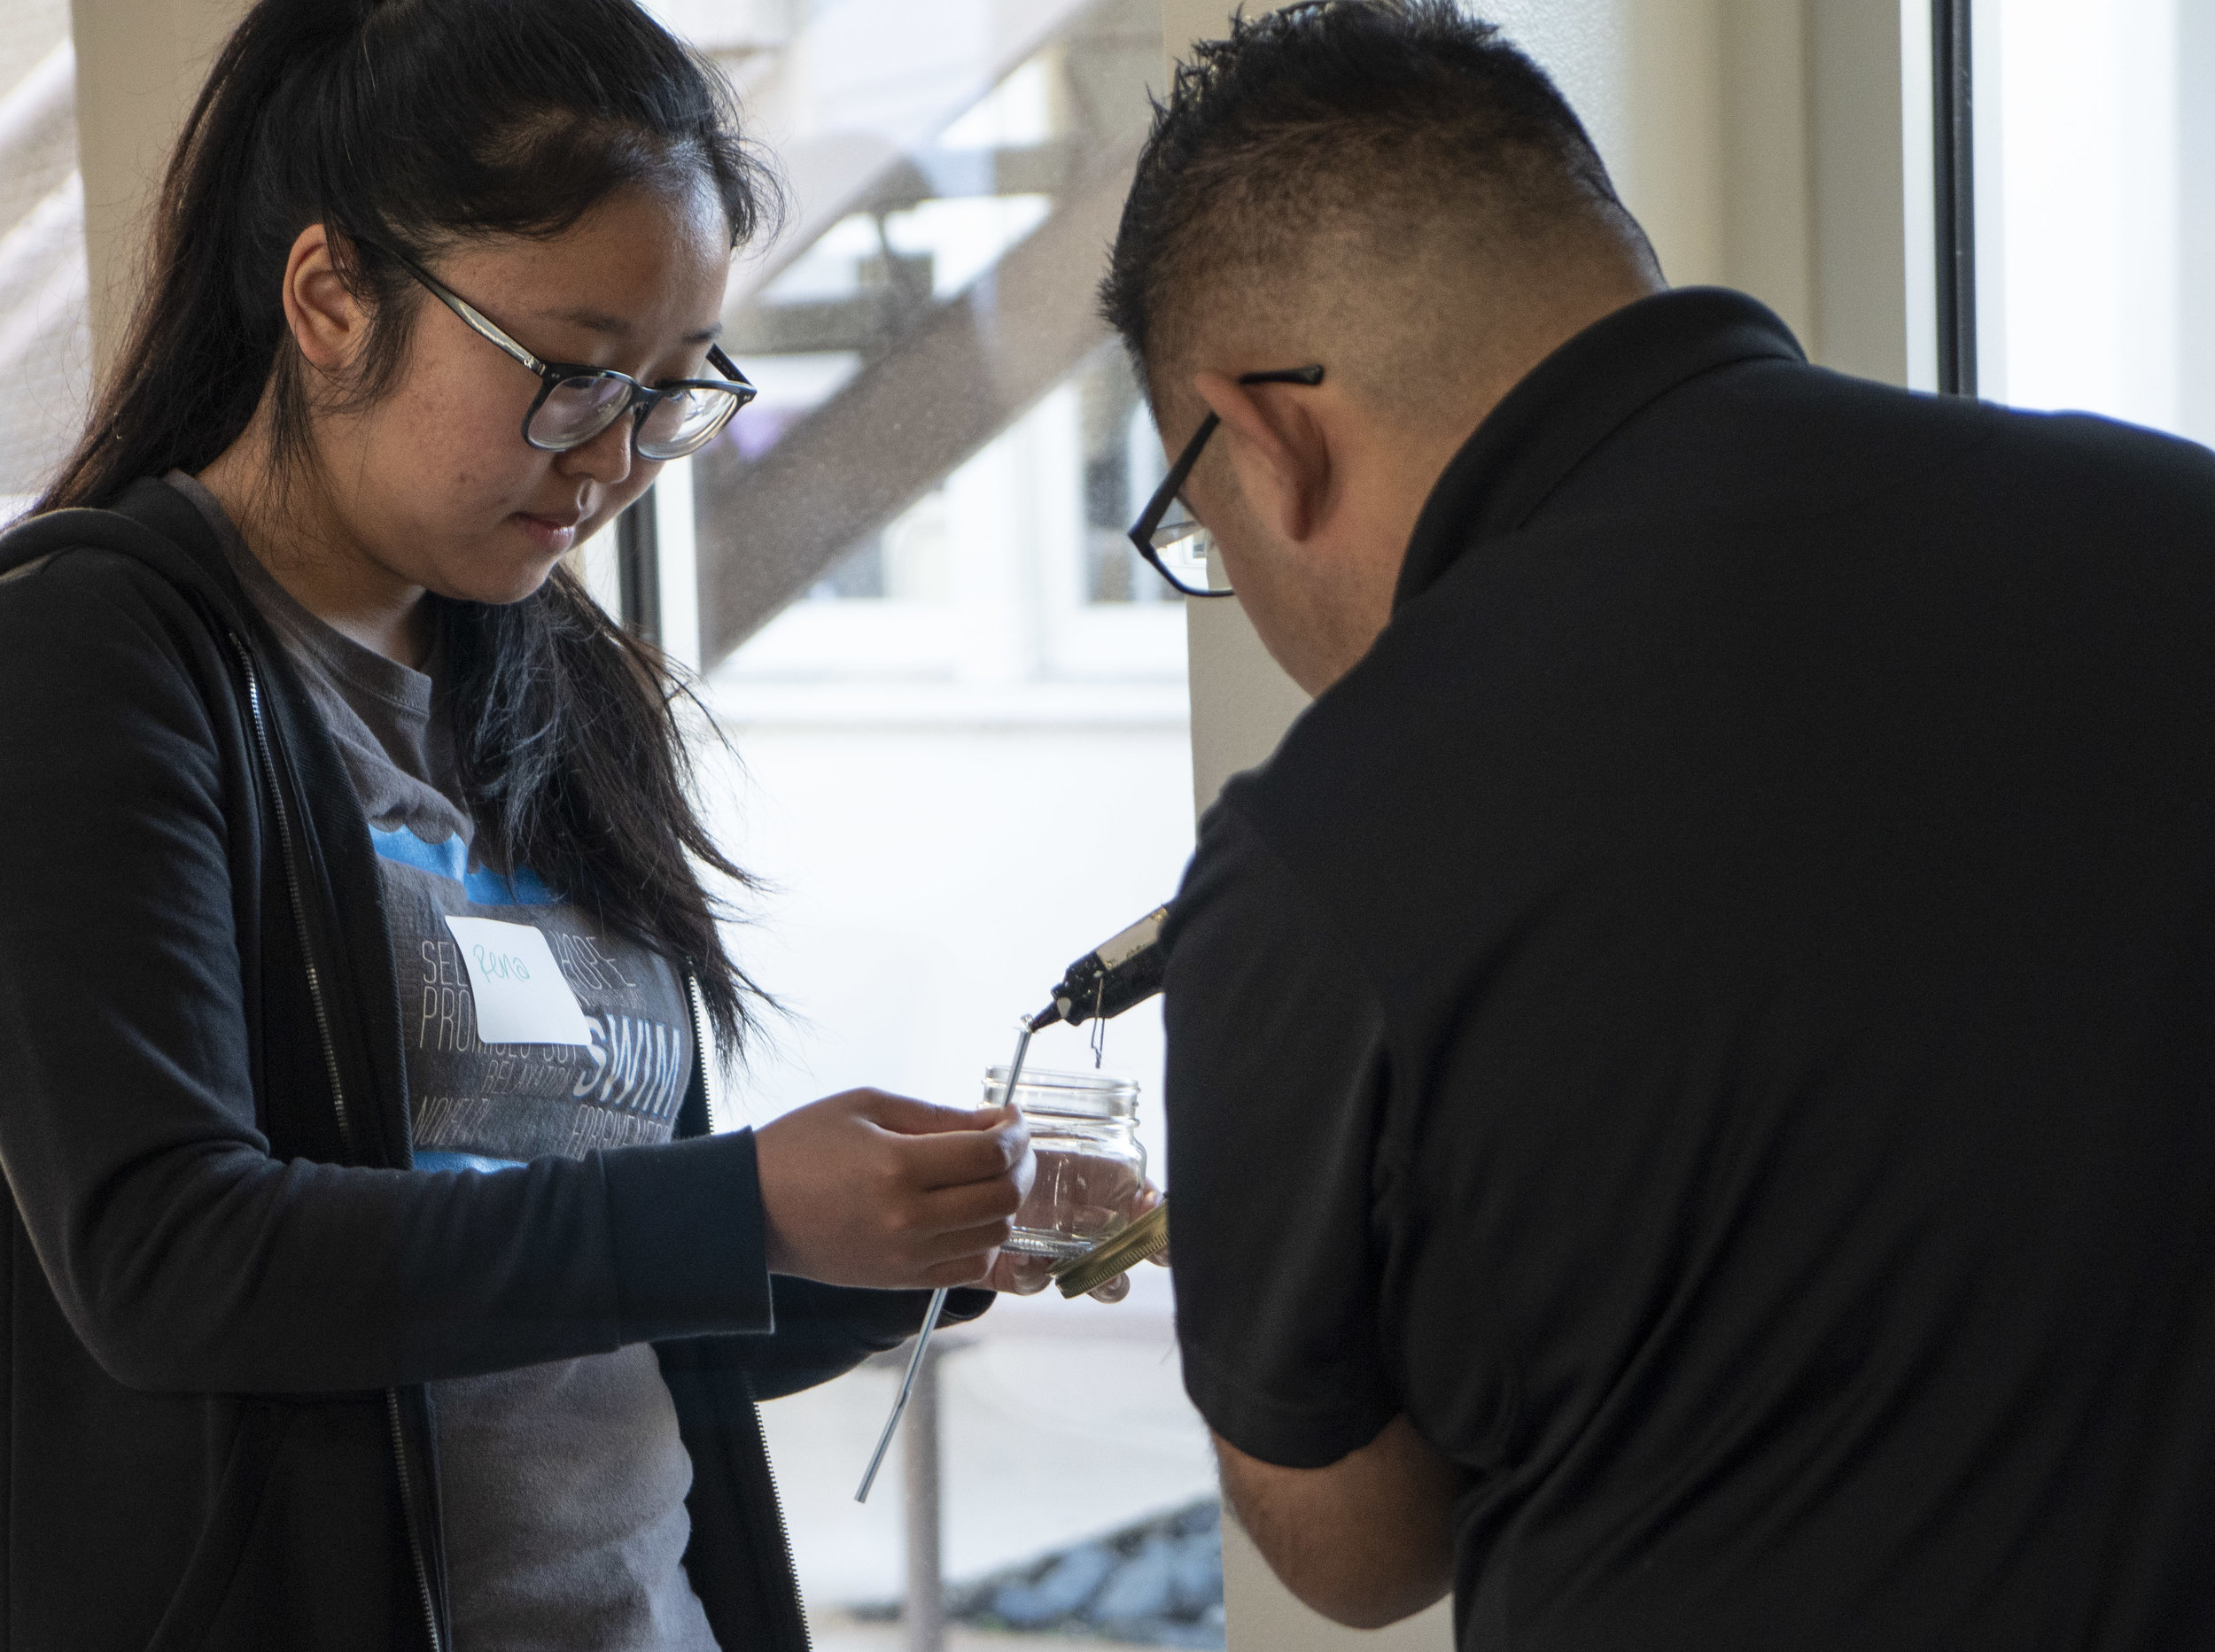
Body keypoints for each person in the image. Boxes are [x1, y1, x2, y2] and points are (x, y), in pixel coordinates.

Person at [1103, 4, 2215, 1646]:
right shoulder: (2174, 535)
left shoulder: (1324, 858)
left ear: (1264, 438)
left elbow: (1354, 1553)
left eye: (1202, 533)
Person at [0, 2, 1079, 1648]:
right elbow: (170, 1261)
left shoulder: (563, 689)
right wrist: (745, 1206)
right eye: (573, 375)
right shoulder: (91, 655)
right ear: (330, 298)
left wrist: (896, 1247)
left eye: (670, 389)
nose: (621, 458)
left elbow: (590, 1308)